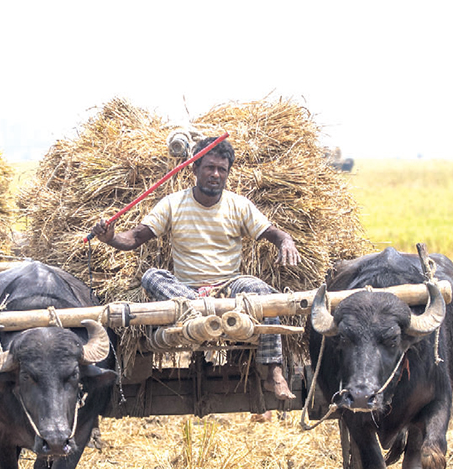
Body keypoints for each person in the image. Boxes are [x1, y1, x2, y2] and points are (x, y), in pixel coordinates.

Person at [92, 136, 300, 399]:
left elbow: (274, 234)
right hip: (184, 292)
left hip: (228, 288)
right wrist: (110, 237)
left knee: (264, 294)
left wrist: (287, 241)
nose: (215, 174)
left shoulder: (239, 205)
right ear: (195, 169)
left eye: (221, 170)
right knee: (151, 276)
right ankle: (196, 312)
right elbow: (134, 238)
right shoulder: (172, 203)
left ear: (227, 173)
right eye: (209, 167)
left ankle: (274, 372)